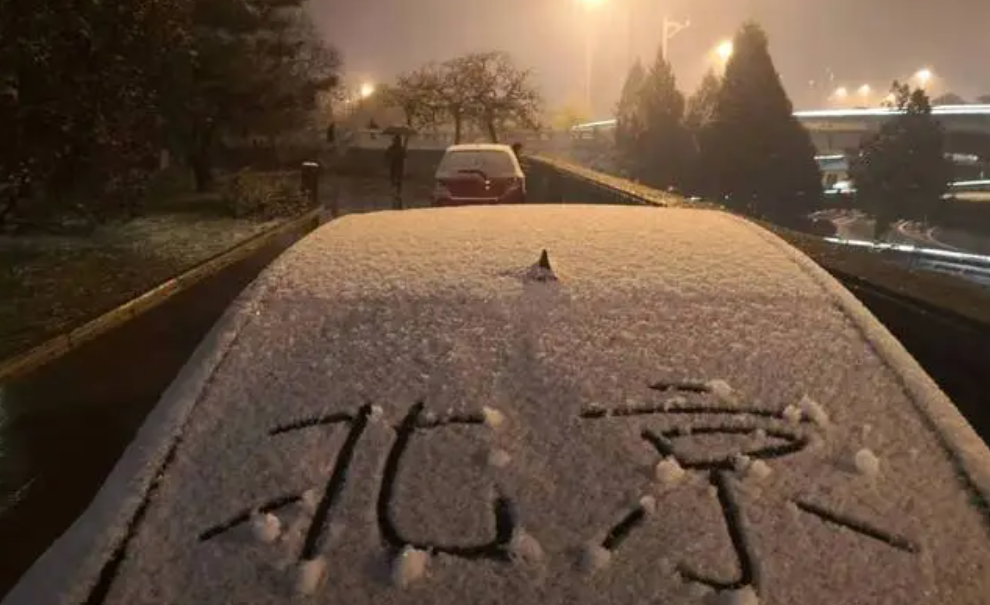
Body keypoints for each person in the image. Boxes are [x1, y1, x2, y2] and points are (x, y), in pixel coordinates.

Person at [385, 134, 406, 208]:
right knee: (397, 181)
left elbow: (387, 155)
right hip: (396, 168)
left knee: (396, 181)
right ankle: (396, 195)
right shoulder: (400, 148)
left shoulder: (395, 148)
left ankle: (396, 195)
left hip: (396, 168)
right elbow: (405, 156)